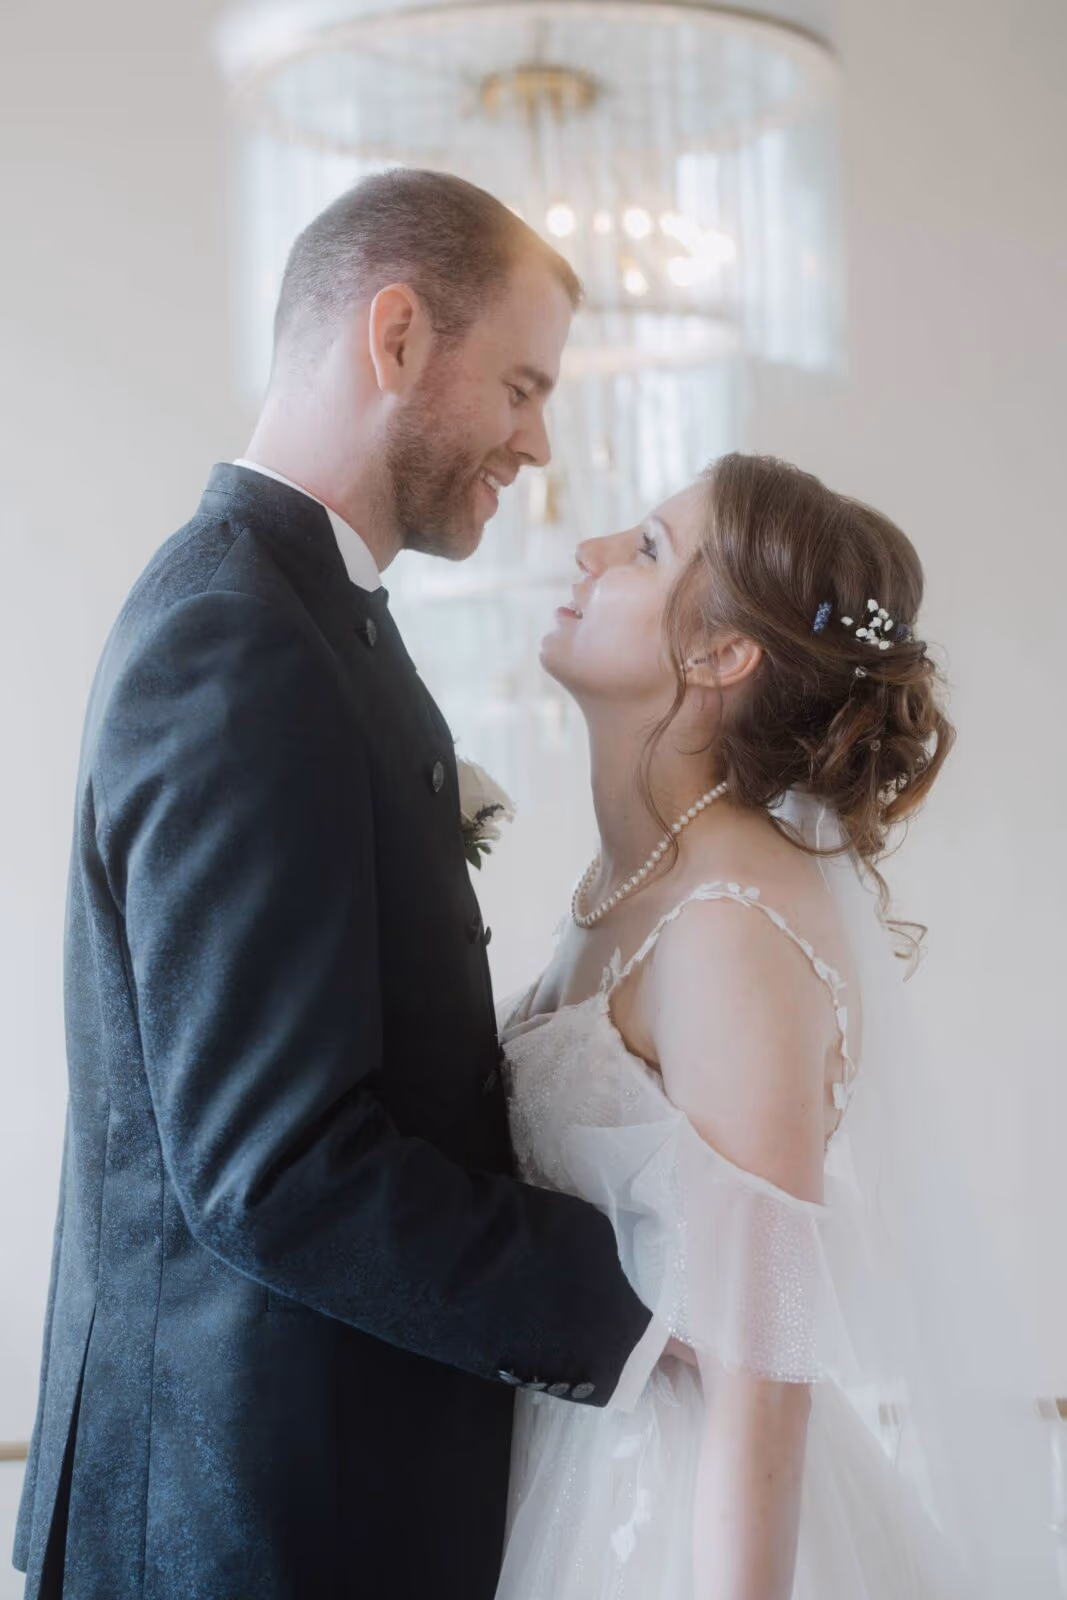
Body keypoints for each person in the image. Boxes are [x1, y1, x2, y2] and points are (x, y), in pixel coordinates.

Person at [13, 170, 666, 1600]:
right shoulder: (238, 639)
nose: (536, 443)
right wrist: (632, 1299)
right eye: (518, 385)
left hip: (307, 1498)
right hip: (240, 1520)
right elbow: (278, 1168)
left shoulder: (305, 623)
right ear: (393, 338)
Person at [495, 453, 1053, 1597]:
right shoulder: (628, 880)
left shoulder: (730, 924)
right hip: (556, 1448)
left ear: (718, 652)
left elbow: (763, 1368)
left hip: (673, 1520)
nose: (588, 552)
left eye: (645, 549)